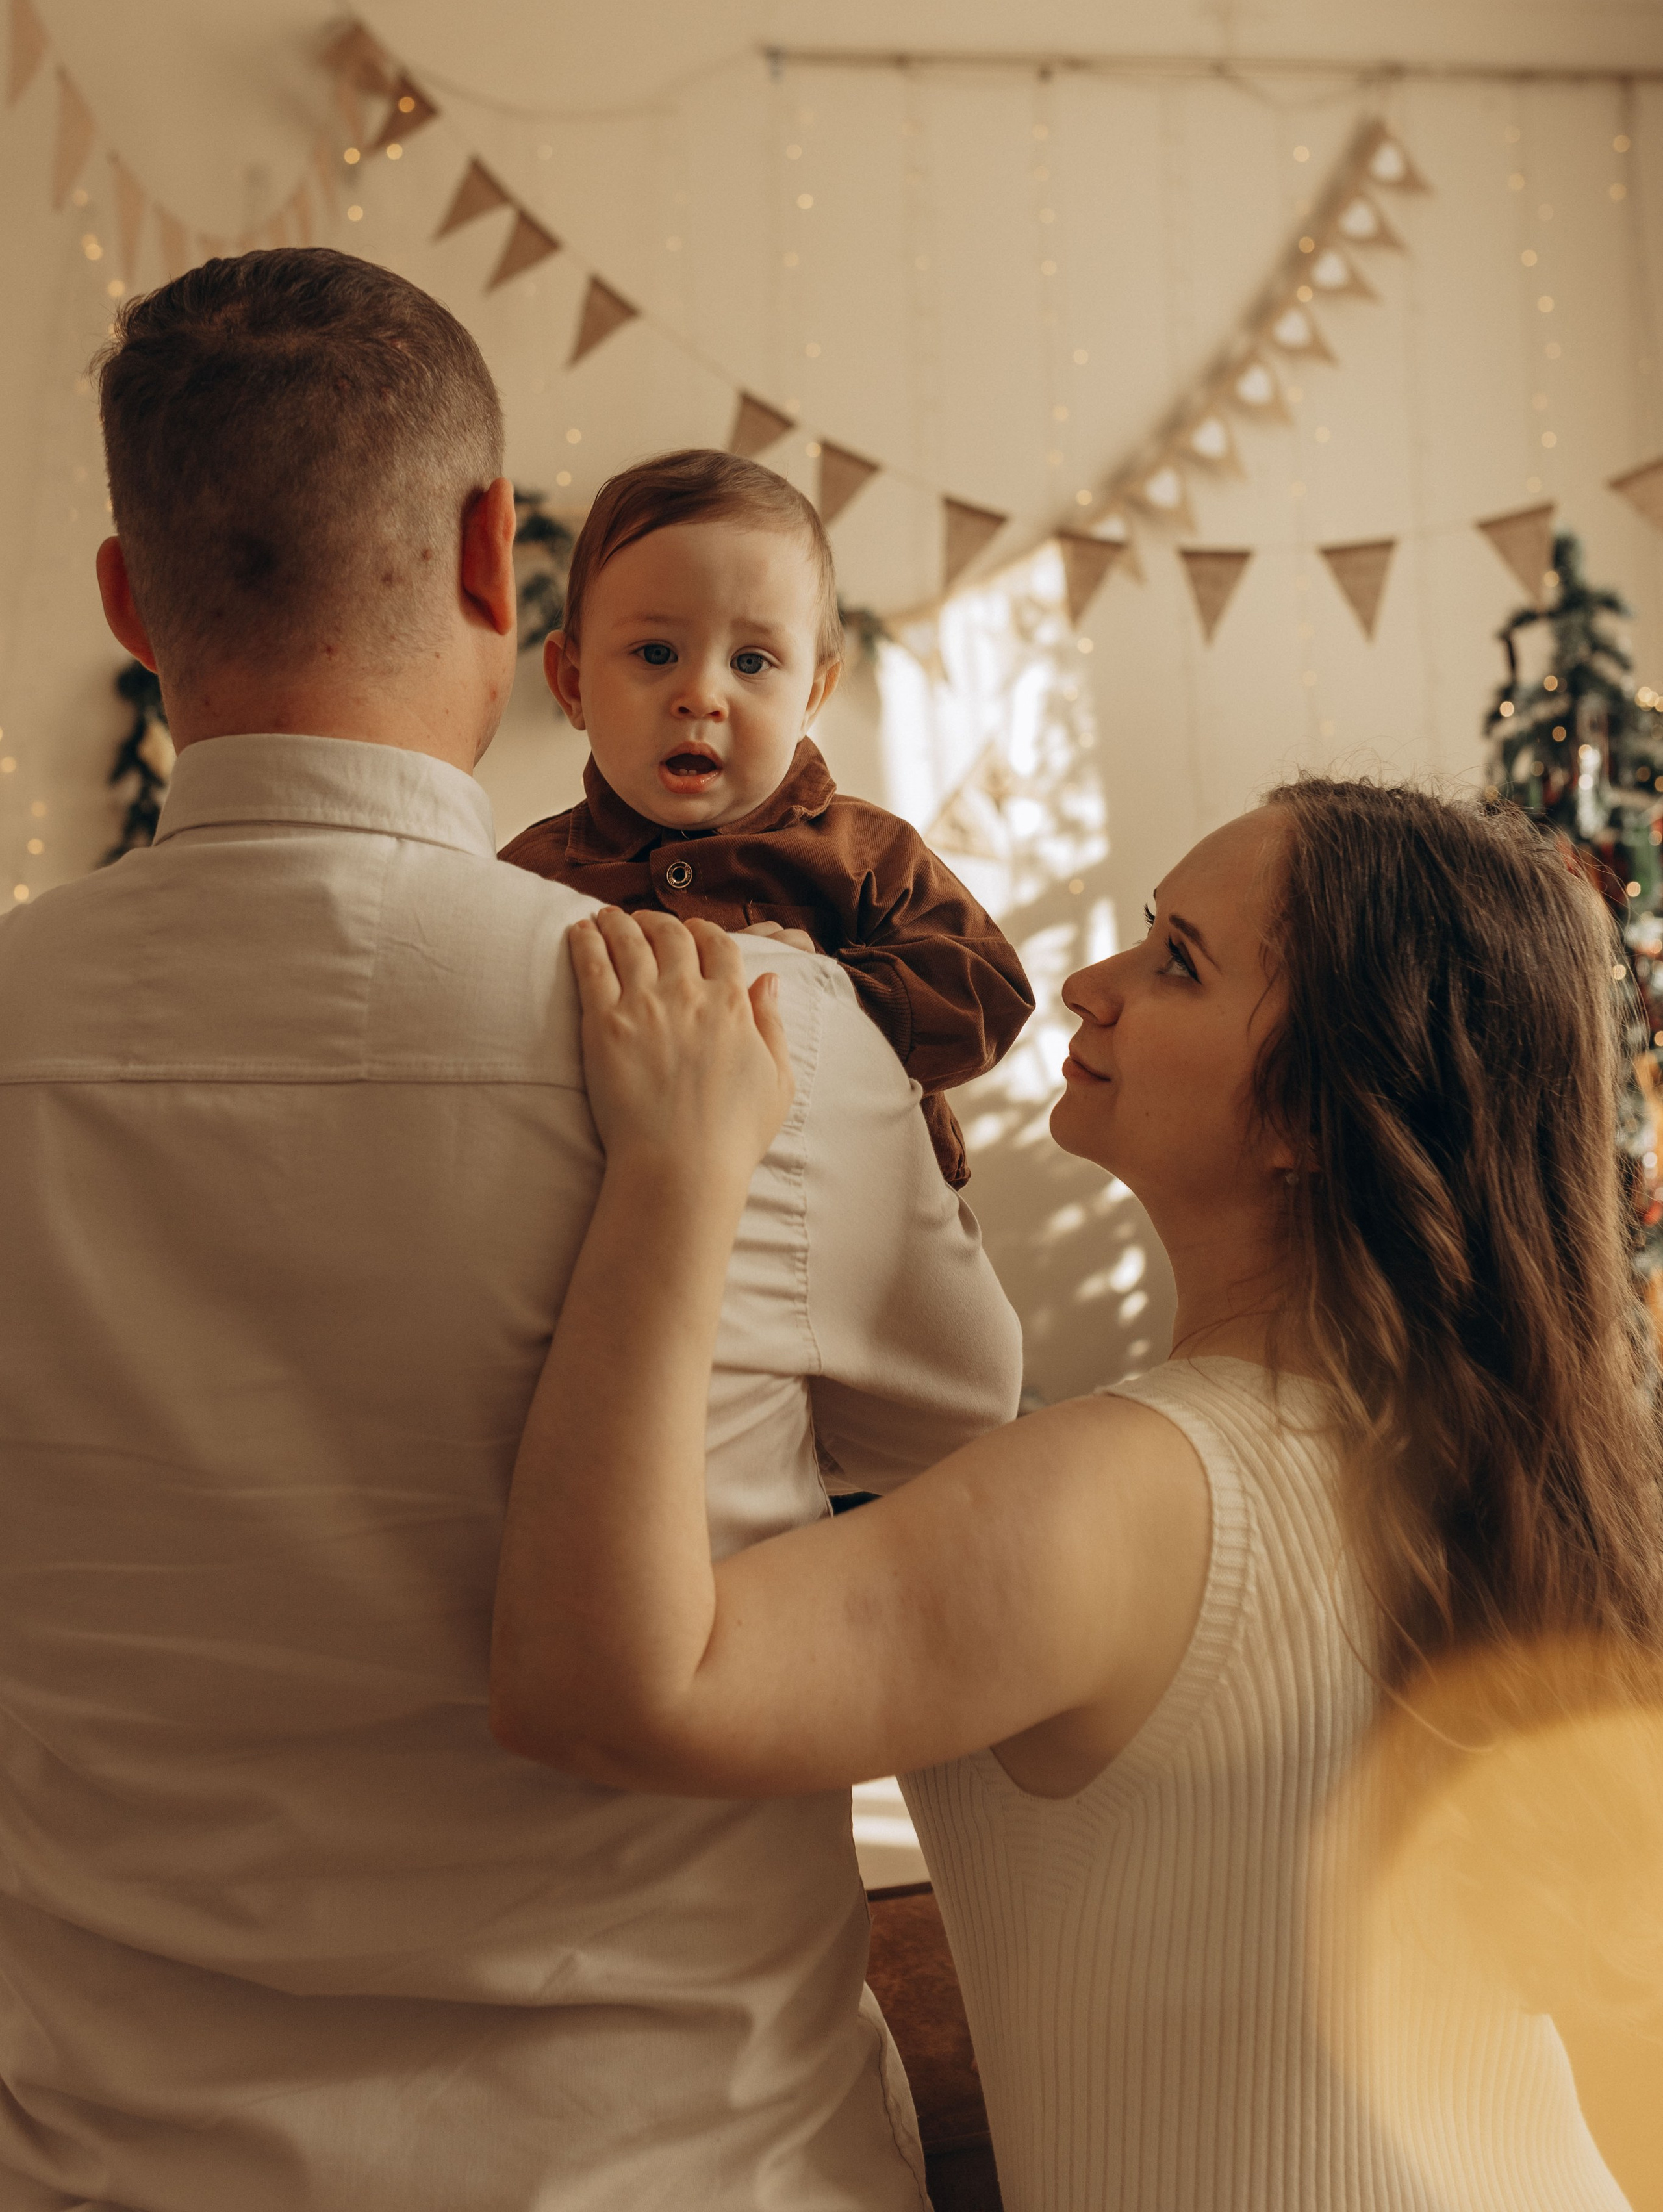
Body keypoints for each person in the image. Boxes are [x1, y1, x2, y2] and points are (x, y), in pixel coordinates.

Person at [0, 248, 1023, 2211]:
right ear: (500, 561)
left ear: (131, 599)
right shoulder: (764, 1028)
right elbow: (966, 1500)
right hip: (685, 2161)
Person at [491, 779, 1663, 2210]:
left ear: (1312, 1105)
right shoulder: (1513, 1467)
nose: (1081, 985)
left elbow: (596, 1686)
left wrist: (677, 1166)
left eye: (1175, 959)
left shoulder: (1129, 1491)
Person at [500, 449, 1034, 1188]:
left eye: (751, 663)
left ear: (811, 696)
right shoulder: (533, 877)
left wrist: (820, 991)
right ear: (573, 682)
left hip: (856, 1214)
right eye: (656, 652)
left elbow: (988, 991)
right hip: (623, 1216)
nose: (701, 695)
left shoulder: (864, 851)